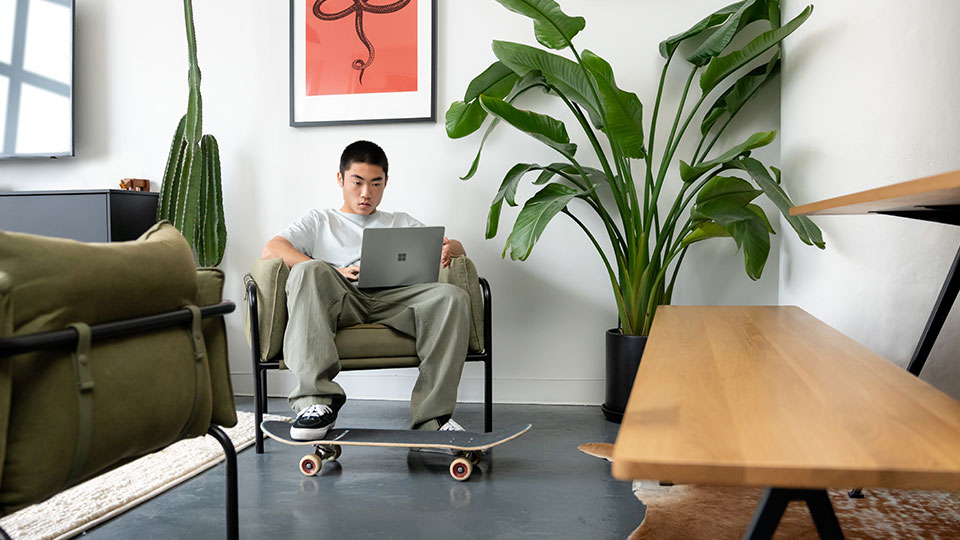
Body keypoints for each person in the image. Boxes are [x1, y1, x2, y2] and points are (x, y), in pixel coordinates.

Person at [261, 140, 471, 441]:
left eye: (376, 183)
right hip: (341, 297)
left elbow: (453, 246)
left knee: (453, 297)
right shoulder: (320, 220)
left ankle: (432, 420)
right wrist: (331, 270)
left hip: (393, 298)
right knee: (308, 270)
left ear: (386, 182)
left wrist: (452, 246)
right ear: (340, 179)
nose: (366, 193)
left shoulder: (399, 221)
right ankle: (315, 403)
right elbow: (272, 248)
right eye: (357, 182)